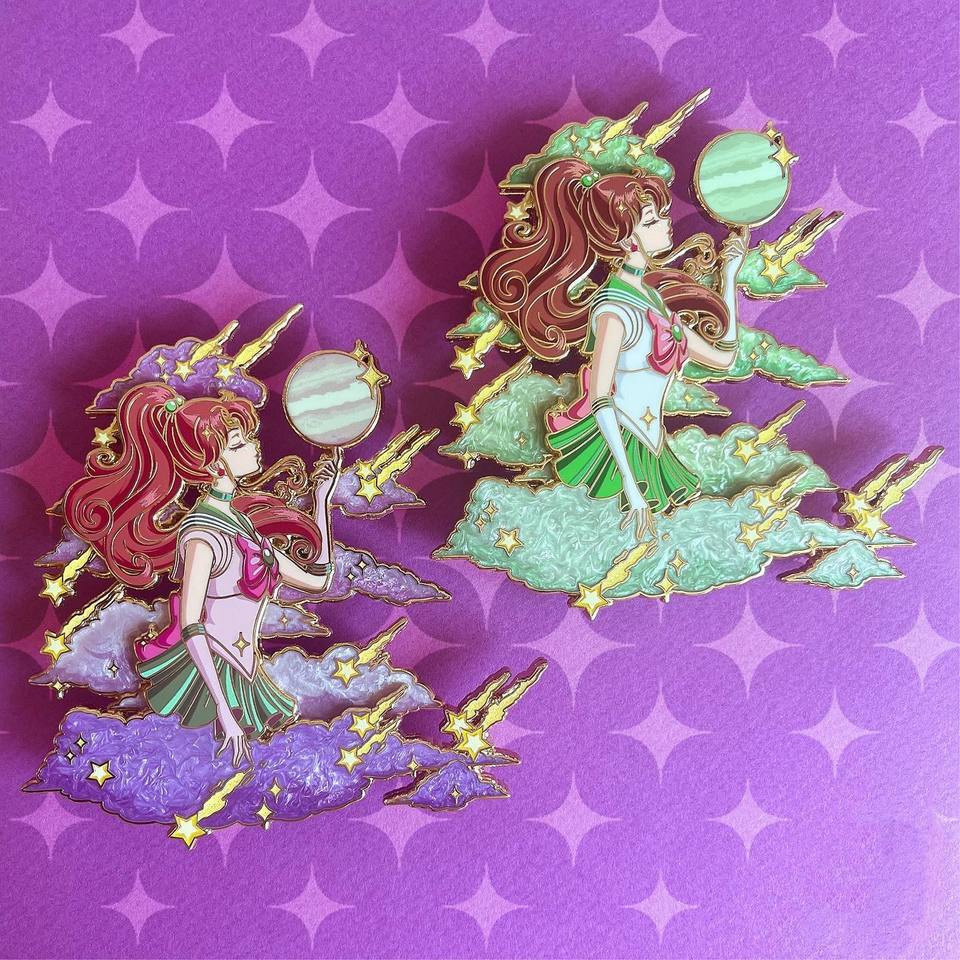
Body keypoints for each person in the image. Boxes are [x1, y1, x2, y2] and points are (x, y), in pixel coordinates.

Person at [63, 383, 339, 765]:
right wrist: (224, 713)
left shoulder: (246, 530)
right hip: (207, 679)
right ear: (212, 465)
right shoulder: (201, 535)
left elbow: (318, 581)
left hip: (249, 676)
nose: (255, 446)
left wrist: (322, 501)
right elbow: (192, 624)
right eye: (239, 444)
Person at [479, 156, 747, 540]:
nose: (667, 223)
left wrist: (729, 277)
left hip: (654, 448)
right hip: (613, 450)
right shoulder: (613, 309)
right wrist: (632, 489)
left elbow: (724, 357)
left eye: (661, 215)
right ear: (625, 240)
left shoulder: (656, 303)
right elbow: (600, 398)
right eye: (652, 221)